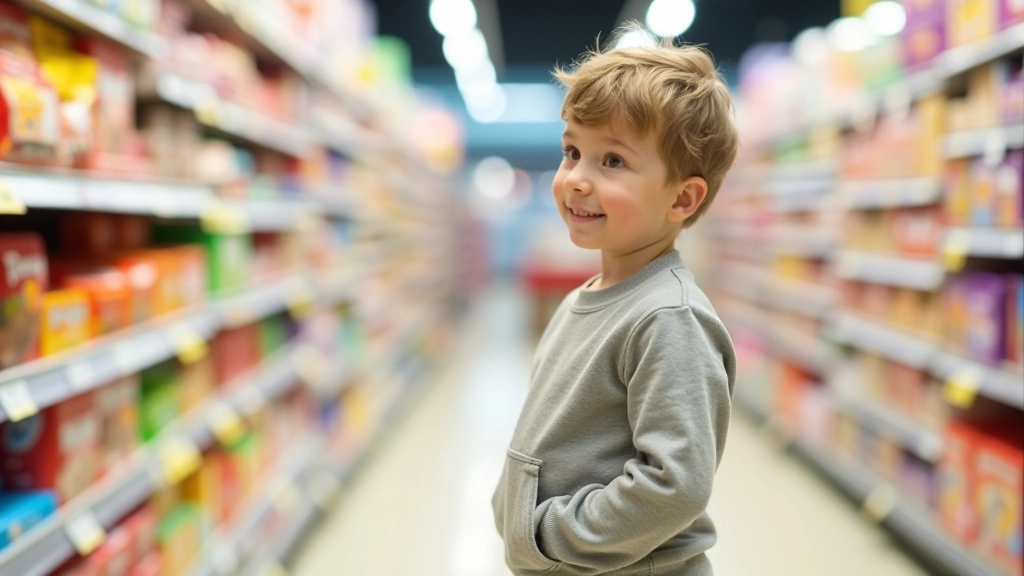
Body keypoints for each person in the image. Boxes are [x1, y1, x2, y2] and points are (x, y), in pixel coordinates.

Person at [491, 27, 740, 576]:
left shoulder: (667, 318)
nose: (576, 179)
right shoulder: (587, 296)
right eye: (573, 151)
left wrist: (548, 534)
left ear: (682, 198)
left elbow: (675, 485)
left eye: (613, 162)